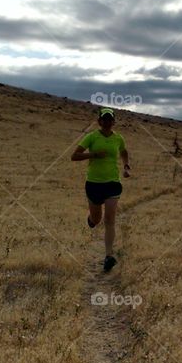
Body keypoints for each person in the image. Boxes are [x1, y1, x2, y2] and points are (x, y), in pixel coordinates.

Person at [71, 107, 131, 272]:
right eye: (104, 119)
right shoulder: (91, 137)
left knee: (110, 220)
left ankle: (108, 256)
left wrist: (126, 166)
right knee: (97, 219)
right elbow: (74, 156)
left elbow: (124, 152)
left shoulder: (118, 138)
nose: (107, 122)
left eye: (109, 119)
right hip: (94, 183)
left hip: (112, 183)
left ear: (113, 122)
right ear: (99, 121)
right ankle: (91, 219)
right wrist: (94, 155)